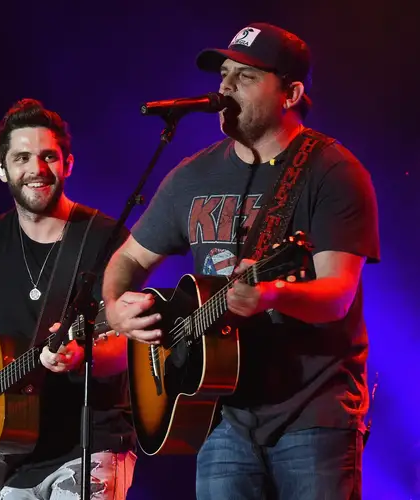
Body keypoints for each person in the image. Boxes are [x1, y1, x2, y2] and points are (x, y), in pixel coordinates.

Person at [102, 22, 379, 499]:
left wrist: (273, 292)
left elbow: (337, 296)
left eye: (246, 77)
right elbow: (126, 259)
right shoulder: (192, 175)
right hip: (220, 414)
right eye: (224, 74)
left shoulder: (332, 172)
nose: (225, 87)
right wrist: (114, 307)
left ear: (290, 93)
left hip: (314, 412)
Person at [0, 98, 136, 500]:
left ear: (68, 164)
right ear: (2, 169)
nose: (36, 169)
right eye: (22, 157)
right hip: (11, 455)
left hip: (90, 443)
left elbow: (130, 343)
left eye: (49, 156)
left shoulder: (106, 240)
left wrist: (85, 355)